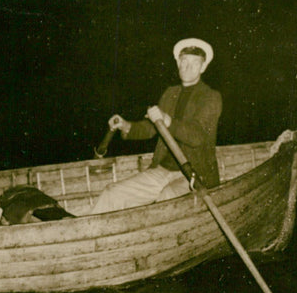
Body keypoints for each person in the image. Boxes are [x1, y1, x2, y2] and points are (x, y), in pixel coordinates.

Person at [90, 38, 222, 214]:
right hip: (162, 169)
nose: (187, 67)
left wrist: (167, 120)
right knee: (112, 193)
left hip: (195, 175)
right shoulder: (170, 93)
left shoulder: (211, 97)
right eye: (184, 61)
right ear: (178, 63)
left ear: (203, 67)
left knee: (166, 199)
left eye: (194, 63)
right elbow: (151, 128)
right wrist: (126, 125)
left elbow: (197, 136)